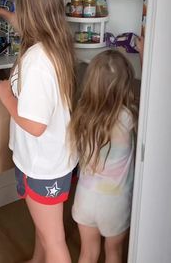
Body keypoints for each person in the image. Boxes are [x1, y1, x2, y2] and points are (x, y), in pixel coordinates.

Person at [0, 0, 77, 263]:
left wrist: (4, 95)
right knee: (44, 228)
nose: (15, 13)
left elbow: (35, 125)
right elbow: (19, 23)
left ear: (31, 14)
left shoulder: (36, 61)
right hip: (47, 158)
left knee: (55, 240)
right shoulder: (54, 43)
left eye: (17, 7)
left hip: (43, 165)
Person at [69, 50, 138, 263]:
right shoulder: (128, 117)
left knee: (87, 253)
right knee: (114, 253)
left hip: (85, 198)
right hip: (114, 203)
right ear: (125, 86)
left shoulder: (82, 114)